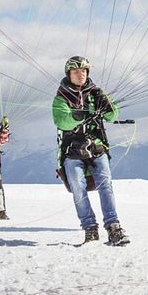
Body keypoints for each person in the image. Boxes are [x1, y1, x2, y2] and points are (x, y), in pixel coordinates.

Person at [52, 55, 130, 246]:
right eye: (76, 71)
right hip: (72, 150)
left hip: (96, 146)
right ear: (69, 74)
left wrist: (108, 104)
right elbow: (62, 121)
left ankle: (114, 228)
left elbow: (112, 115)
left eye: (84, 71)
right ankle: (90, 228)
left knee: (106, 184)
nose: (81, 75)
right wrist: (77, 116)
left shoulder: (96, 93)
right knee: (78, 188)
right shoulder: (61, 98)